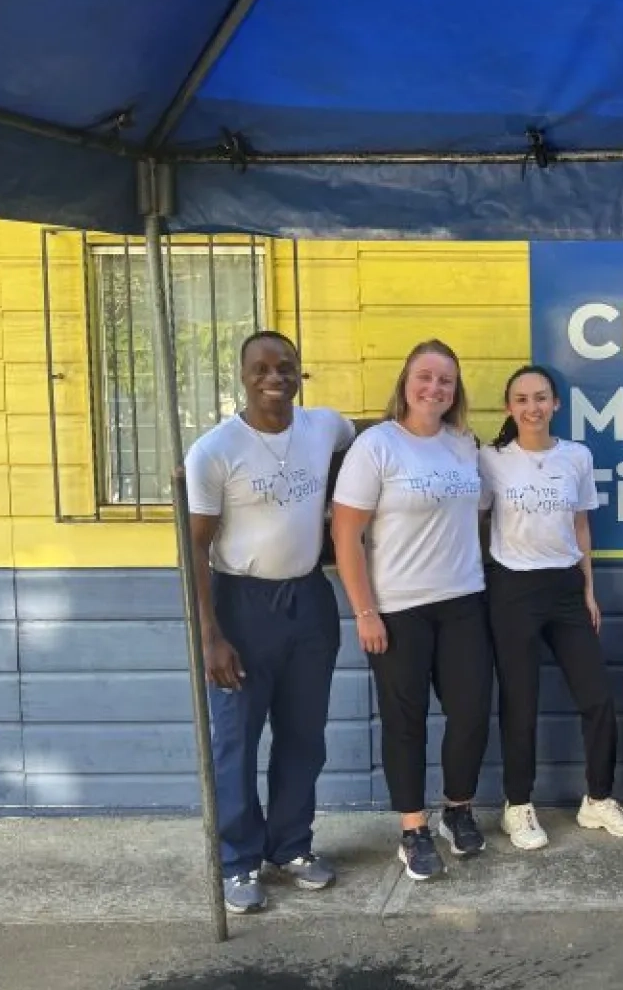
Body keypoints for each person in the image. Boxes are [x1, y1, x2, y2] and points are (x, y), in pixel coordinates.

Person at [185, 330, 357, 914]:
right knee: (237, 740)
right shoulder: (214, 450)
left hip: (309, 599)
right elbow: (194, 552)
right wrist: (211, 636)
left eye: (285, 366)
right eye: (261, 367)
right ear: (243, 375)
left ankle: (292, 846)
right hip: (241, 604)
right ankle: (238, 862)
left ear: (300, 372)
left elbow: (373, 438)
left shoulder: (324, 426)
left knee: (304, 736)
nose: (274, 377)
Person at [332, 339, 491, 882]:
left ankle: (458, 809)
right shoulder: (377, 446)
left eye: (445, 380)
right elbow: (346, 534)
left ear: (455, 391)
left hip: (464, 601)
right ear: (404, 382)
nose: (434, 388)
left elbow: (484, 512)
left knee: (470, 714)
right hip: (398, 609)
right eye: (424, 377)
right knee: (406, 723)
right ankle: (413, 829)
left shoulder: (464, 444)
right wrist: (364, 612)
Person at [480, 364, 623, 849]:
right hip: (512, 588)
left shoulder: (576, 456)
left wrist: (588, 589)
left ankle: (597, 799)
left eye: (541, 398)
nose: (532, 407)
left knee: (597, 698)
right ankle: (519, 805)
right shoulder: (492, 460)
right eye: (522, 399)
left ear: (556, 405)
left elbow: (581, 528)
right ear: (510, 408)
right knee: (520, 702)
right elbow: (473, 519)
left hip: (567, 588)